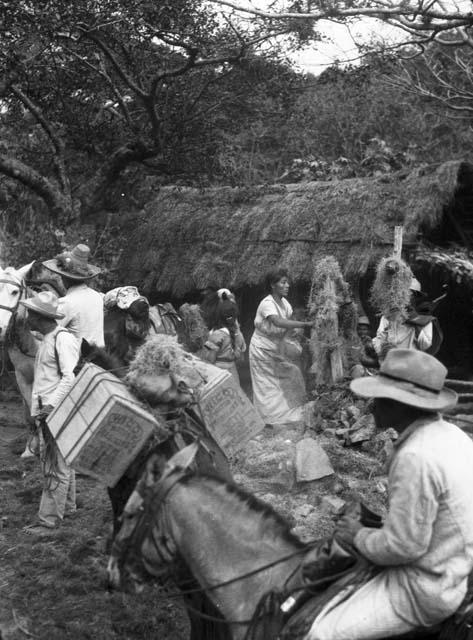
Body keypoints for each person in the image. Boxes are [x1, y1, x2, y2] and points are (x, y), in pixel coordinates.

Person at [307, 348, 473, 640]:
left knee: (321, 633)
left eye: (381, 399)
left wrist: (358, 534)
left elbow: (404, 547)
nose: (372, 406)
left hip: (425, 588)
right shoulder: (452, 436)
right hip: (452, 567)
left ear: (402, 405)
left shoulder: (416, 457)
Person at [20, 291, 79, 537]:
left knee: (54, 464)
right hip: (47, 410)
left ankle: (49, 521)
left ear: (40, 317)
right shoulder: (47, 338)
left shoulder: (61, 340)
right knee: (62, 460)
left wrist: (51, 406)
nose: (27, 320)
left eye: (30, 315)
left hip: (55, 411)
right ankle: (68, 506)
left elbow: (69, 377)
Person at [249, 268, 312, 426]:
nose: (287, 285)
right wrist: (304, 324)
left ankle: (283, 415)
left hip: (275, 348)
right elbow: (278, 322)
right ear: (272, 285)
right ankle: (268, 419)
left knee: (284, 378)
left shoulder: (285, 304)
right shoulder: (267, 304)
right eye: (283, 282)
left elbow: (285, 330)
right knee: (266, 384)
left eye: (287, 282)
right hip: (260, 349)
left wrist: (291, 340)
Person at [43, 243, 104, 348]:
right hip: (100, 357)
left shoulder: (68, 302)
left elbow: (47, 332)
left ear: (65, 278)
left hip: (78, 358)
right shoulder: (97, 296)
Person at [372, 278, 433, 361]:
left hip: (412, 364)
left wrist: (416, 320)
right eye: (403, 293)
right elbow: (379, 339)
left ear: (415, 297)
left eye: (410, 294)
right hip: (390, 364)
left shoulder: (425, 319)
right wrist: (384, 349)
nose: (406, 297)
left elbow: (425, 345)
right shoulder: (388, 317)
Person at [203, 294, 246, 384]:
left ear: (218, 316)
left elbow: (211, 359)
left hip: (219, 374)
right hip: (233, 373)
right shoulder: (238, 334)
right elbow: (240, 355)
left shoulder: (217, 335)